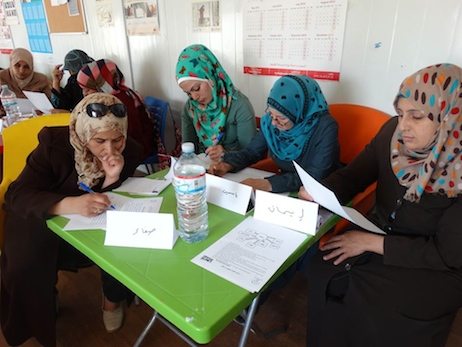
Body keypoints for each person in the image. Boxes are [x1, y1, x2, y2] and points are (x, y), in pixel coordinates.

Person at [299, 63, 462, 347]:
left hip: (437, 265)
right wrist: (320, 191)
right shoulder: (392, 134)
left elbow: (447, 255)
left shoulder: (457, 170)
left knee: (378, 299)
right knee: (322, 267)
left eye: (417, 116)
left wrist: (369, 243)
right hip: (377, 231)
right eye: (400, 114)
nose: (403, 127)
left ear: (449, 118)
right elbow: (354, 176)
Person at [0, 92, 143, 346]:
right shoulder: (53, 145)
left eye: (117, 140)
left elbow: (113, 198)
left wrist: (110, 179)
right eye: (99, 140)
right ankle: (41, 302)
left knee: (124, 237)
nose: (109, 150)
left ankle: (112, 299)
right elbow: (17, 195)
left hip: (89, 221)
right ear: (84, 132)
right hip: (39, 214)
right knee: (27, 262)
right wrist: (69, 204)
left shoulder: (129, 151)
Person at [209, 74, 339, 193]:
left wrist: (267, 184)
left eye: (281, 118)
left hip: (320, 191)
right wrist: (227, 164)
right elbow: (252, 152)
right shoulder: (270, 121)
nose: (273, 123)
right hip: (285, 187)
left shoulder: (325, 127)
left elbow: (315, 175)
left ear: (300, 112)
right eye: (270, 114)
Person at [175, 44, 257, 161]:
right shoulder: (191, 109)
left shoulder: (239, 105)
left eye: (196, 88)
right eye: (188, 93)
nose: (194, 97)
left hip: (236, 168)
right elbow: (189, 151)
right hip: (204, 169)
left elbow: (251, 153)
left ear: (210, 76)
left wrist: (226, 153)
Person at [77, 59, 156, 159]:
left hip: (136, 146)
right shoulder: (114, 94)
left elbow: (129, 133)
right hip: (125, 142)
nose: (84, 93)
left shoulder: (118, 102)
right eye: (82, 89)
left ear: (102, 84)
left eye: (88, 89)